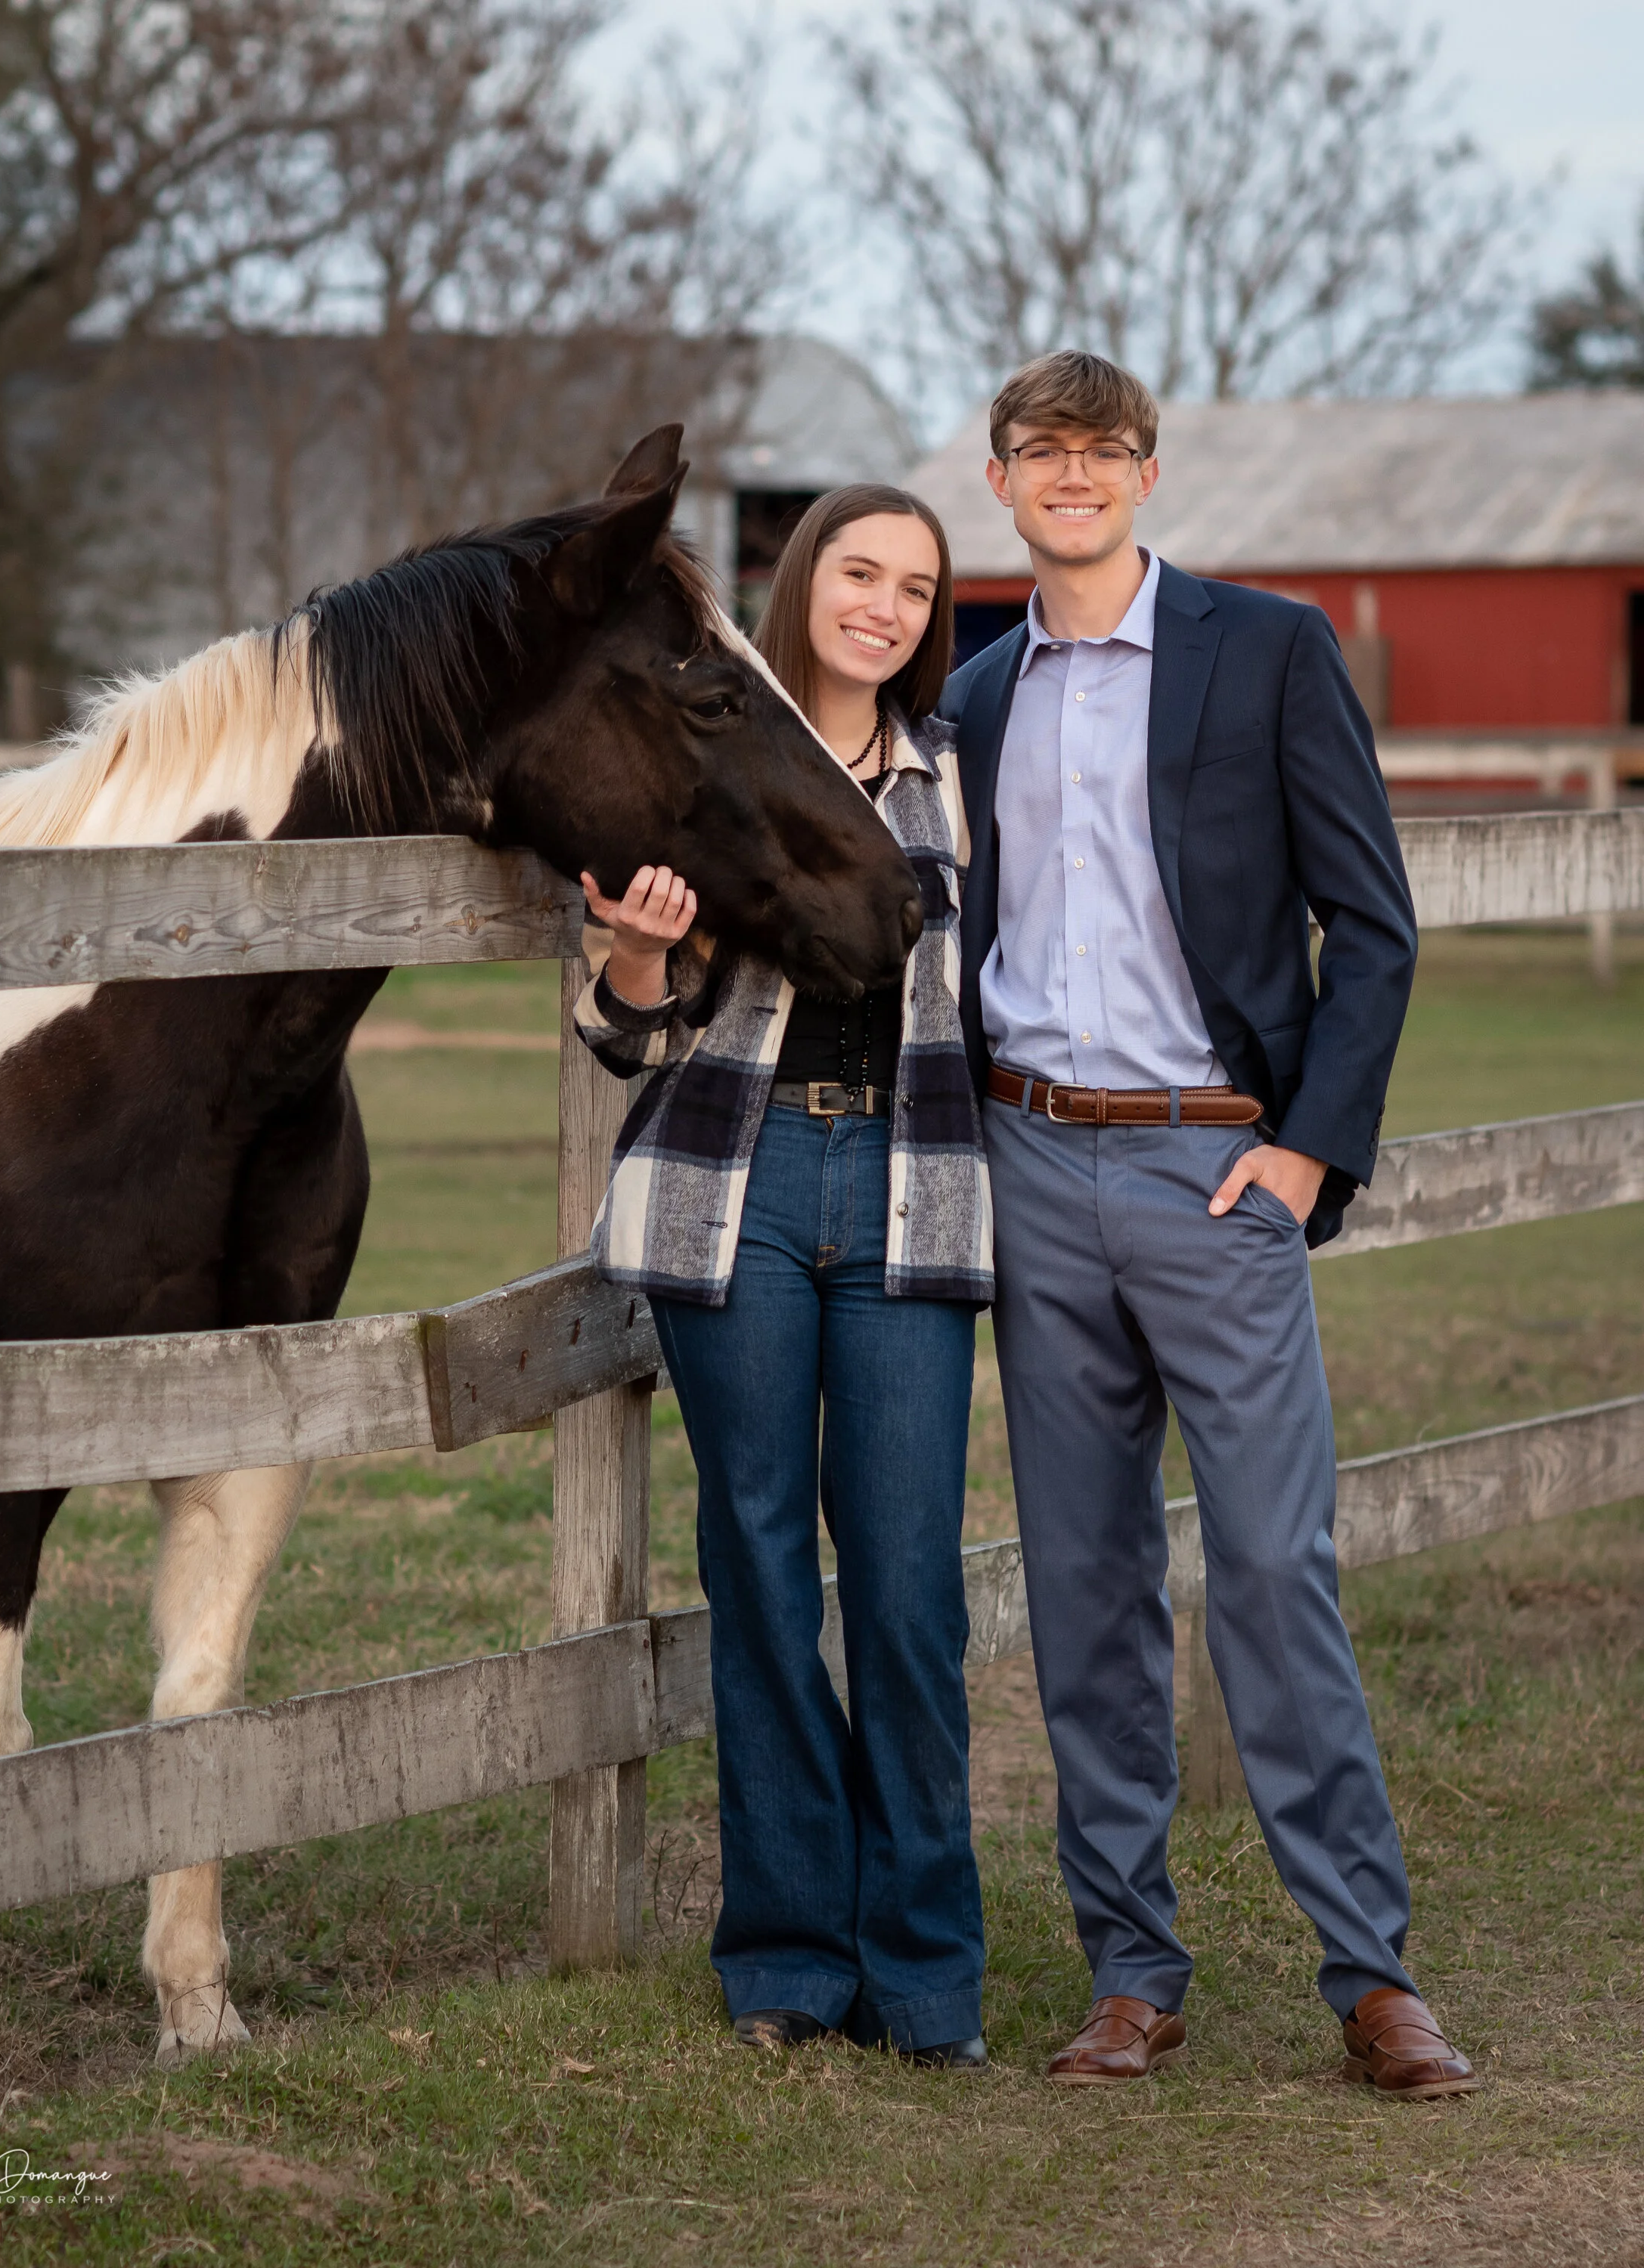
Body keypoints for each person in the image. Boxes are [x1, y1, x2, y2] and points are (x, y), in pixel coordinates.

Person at [941, 349, 1480, 2099]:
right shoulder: (977, 695)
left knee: (1268, 1565)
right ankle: (1132, 1972)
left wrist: (1312, 1153)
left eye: (1104, 451)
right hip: (1035, 1166)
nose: (1074, 476)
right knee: (1086, 1588)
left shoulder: (1266, 650)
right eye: (1043, 452)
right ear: (1003, 480)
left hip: (1214, 1167)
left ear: (1148, 476)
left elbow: (1371, 924)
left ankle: (1371, 1973)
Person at [572, 485, 994, 2068]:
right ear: (806, 576)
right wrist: (633, 953)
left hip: (912, 1187)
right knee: (756, 1574)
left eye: (916, 587)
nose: (882, 606)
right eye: (860, 572)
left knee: (904, 1590)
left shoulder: (961, 774)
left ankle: (928, 1978)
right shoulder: (700, 750)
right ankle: (786, 1967)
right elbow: (626, 1031)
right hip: (730, 1191)